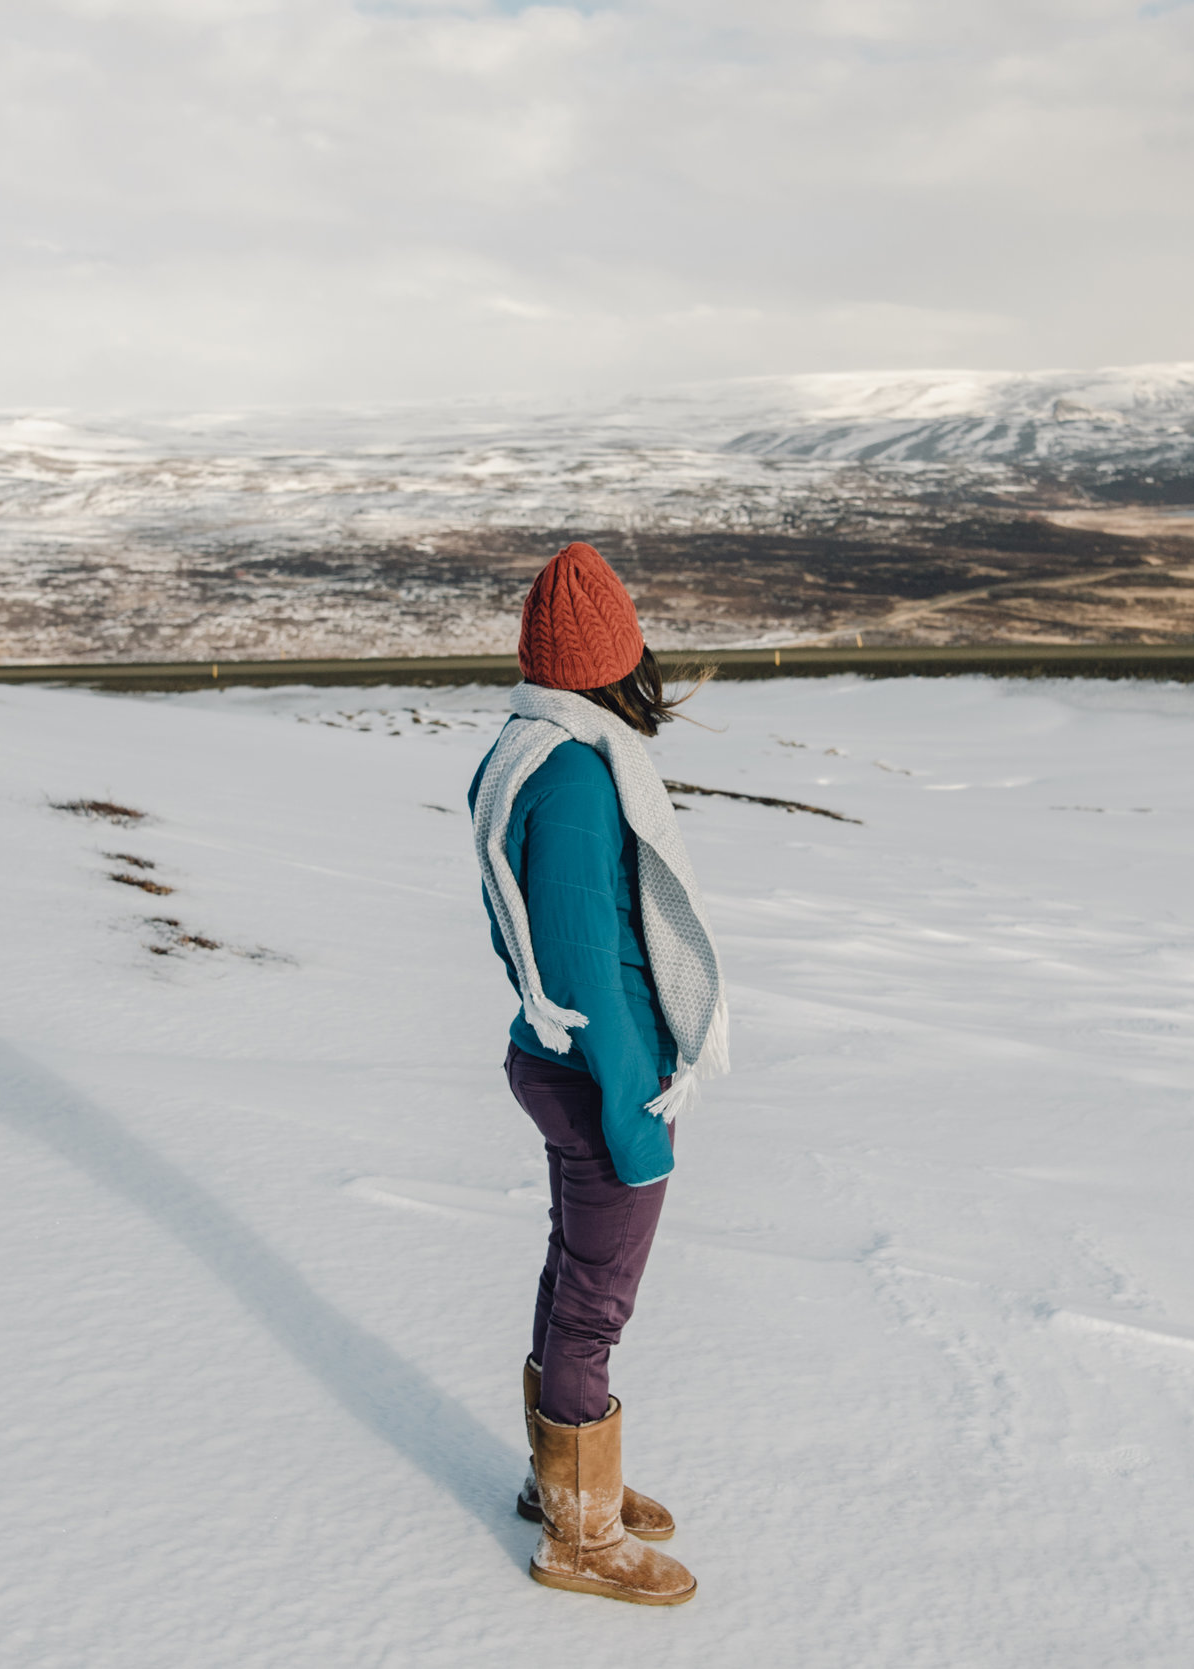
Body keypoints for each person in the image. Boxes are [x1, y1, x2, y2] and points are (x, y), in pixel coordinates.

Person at [467, 542, 731, 1607]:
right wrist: (638, 1113)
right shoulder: (576, 775)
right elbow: (582, 965)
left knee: (571, 1272)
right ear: (614, 663)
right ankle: (579, 1533)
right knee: (592, 1303)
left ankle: (561, 1478)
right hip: (599, 1074)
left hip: (559, 1063)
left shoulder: (533, 746)